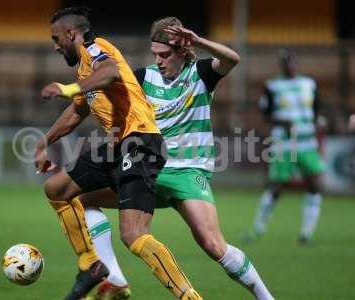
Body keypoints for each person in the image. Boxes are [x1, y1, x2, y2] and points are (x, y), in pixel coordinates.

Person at [82, 17, 274, 300]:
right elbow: (116, 107)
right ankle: (115, 279)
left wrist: (198, 41)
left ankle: (266, 298)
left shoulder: (201, 72)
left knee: (213, 244)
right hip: (149, 170)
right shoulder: (143, 78)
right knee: (81, 198)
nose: (159, 61)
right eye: (155, 54)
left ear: (183, 50)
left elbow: (232, 59)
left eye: (165, 55)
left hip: (188, 172)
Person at [35, 7, 202, 300]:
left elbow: (110, 72)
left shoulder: (96, 47)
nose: (55, 45)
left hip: (140, 142)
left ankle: (190, 297)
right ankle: (91, 265)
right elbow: (77, 111)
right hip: (117, 146)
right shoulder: (85, 69)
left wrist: (68, 87)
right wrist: (45, 141)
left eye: (56, 37)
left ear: (71, 33)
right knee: (57, 189)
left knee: (134, 235)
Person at [244, 49, 324, 244]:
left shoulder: (309, 84)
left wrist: (320, 122)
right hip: (284, 143)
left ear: (297, 63)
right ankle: (258, 229)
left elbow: (316, 110)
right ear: (281, 65)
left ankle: (306, 234)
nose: (290, 65)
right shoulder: (272, 86)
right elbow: (265, 115)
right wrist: (282, 122)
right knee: (277, 187)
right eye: (286, 62)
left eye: (292, 61)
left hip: (307, 141)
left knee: (314, 185)